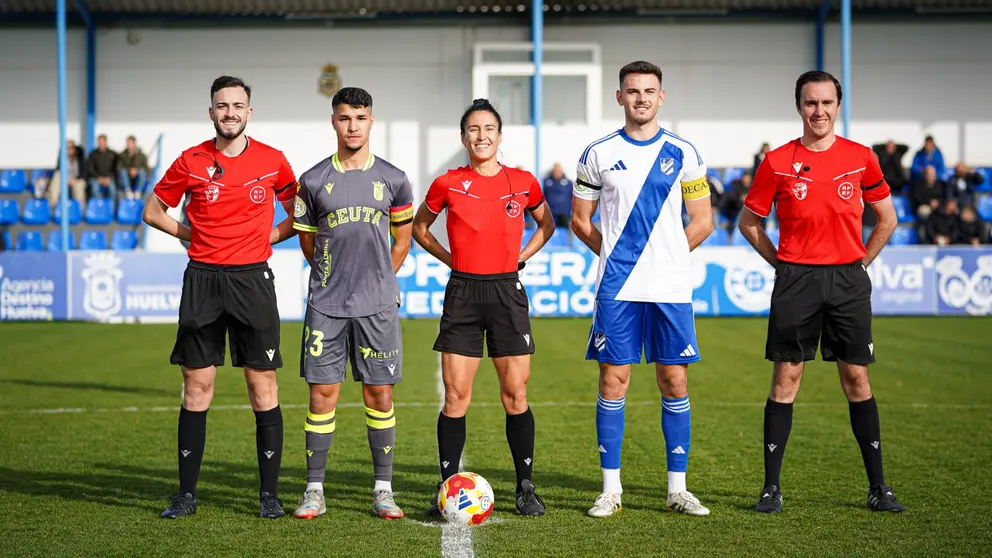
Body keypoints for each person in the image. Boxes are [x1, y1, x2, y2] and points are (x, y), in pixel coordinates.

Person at [738, 70, 903, 514]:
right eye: (811, 103)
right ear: (799, 107)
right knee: (786, 377)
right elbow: (748, 222)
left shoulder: (861, 157)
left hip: (848, 280)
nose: (819, 111)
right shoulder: (776, 161)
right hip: (797, 280)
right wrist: (781, 263)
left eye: (827, 103)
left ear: (837, 106)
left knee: (856, 378)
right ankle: (771, 489)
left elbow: (886, 218)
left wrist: (861, 262)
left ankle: (878, 488)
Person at [142, 75, 299, 519]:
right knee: (197, 386)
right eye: (222, 105)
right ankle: (186, 495)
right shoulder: (190, 160)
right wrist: (193, 235)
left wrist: (266, 238)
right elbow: (153, 212)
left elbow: (300, 213)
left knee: (261, 386)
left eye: (238, 105)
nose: (230, 112)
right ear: (211, 112)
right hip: (203, 281)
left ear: (250, 112)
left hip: (253, 281)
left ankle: (269, 496)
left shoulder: (273, 161)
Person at [572, 60, 715, 518]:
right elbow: (580, 221)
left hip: (670, 288)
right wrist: (615, 258)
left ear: (661, 96)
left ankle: (678, 489)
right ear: (620, 97)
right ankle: (610, 490)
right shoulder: (596, 153)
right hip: (617, 288)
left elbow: (703, 221)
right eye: (632, 91)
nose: (641, 99)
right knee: (614, 381)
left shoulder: (685, 152)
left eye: (649, 91)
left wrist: (668, 255)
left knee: (674, 380)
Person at [411, 98, 555, 517]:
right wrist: (450, 260)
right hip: (463, 294)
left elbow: (547, 223)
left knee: (516, 393)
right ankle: (446, 485)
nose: (481, 136)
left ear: (499, 135)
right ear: (463, 137)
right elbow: (420, 228)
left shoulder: (523, 182)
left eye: (488, 128)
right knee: (456, 395)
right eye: (473, 129)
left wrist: (520, 259)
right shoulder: (447, 183)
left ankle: (525, 487)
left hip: (507, 294)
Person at [290, 87, 414, 521]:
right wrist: (333, 276)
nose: (353, 125)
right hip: (326, 303)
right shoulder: (312, 179)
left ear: (371, 121)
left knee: (379, 393)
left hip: (377, 305)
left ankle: (383, 489)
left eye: (360, 117)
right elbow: (308, 242)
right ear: (334, 122)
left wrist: (381, 278)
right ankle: (314, 489)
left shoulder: (394, 179)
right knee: (322, 394)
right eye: (345, 118)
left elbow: (403, 239)